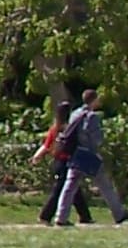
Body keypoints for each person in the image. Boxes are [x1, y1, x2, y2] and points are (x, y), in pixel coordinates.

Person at [51, 90, 128, 228]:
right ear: (94, 100)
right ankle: (120, 214)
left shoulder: (75, 113)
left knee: (70, 186)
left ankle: (61, 217)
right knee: (105, 185)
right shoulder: (92, 116)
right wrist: (96, 148)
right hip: (88, 155)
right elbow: (94, 138)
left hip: (76, 154)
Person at [35, 97, 95, 225]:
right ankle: (45, 216)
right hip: (68, 161)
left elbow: (46, 145)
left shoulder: (55, 128)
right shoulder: (71, 128)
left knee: (74, 189)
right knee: (62, 189)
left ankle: (85, 216)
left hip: (59, 161)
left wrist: (37, 156)